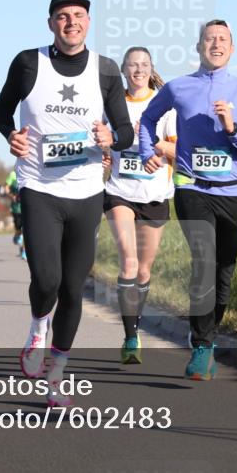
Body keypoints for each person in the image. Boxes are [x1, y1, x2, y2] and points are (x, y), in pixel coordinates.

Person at [0, 0, 133, 406]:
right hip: (39, 187)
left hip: (87, 190)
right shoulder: (28, 62)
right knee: (47, 280)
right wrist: (10, 135)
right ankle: (38, 327)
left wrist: (112, 136)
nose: (71, 22)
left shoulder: (105, 71)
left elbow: (124, 130)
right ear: (51, 23)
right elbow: (2, 110)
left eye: (78, 15)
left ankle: (56, 376)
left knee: (74, 287)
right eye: (62, 16)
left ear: (88, 22)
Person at [139, 19, 237, 381]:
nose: (215, 44)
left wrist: (233, 129)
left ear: (232, 49)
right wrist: (149, 150)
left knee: (224, 272)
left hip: (233, 191)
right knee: (203, 259)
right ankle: (200, 345)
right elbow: (148, 118)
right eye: (209, 39)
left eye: (223, 39)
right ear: (198, 47)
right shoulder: (179, 88)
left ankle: (208, 336)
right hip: (191, 188)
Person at [102, 47, 177, 365]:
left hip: (156, 194)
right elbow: (102, 141)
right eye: (133, 65)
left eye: (144, 65)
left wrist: (156, 152)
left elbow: (179, 151)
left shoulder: (165, 105)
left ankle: (136, 323)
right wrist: (105, 148)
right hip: (119, 191)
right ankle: (131, 336)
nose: (138, 70)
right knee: (129, 264)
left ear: (151, 69)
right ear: (123, 70)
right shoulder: (112, 105)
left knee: (145, 271)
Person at [4, 169, 26, 259]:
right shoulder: (13, 174)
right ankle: (17, 235)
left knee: (26, 230)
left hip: (27, 207)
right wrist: (11, 196)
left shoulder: (29, 172)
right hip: (16, 208)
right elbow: (6, 188)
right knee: (19, 229)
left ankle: (24, 251)